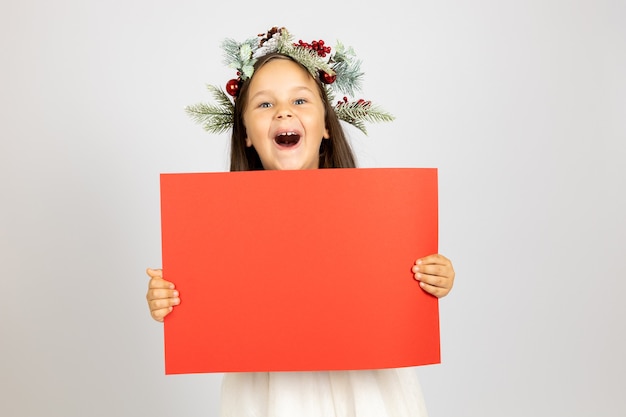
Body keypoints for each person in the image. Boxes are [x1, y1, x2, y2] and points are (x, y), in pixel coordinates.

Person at [146, 27, 455, 417]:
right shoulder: (220, 229)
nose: (283, 111)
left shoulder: (376, 216)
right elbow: (205, 303)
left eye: (300, 100)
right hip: (270, 394)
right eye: (264, 105)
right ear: (245, 134)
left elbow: (403, 287)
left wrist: (436, 276)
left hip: (368, 391)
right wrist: (170, 298)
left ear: (326, 125)